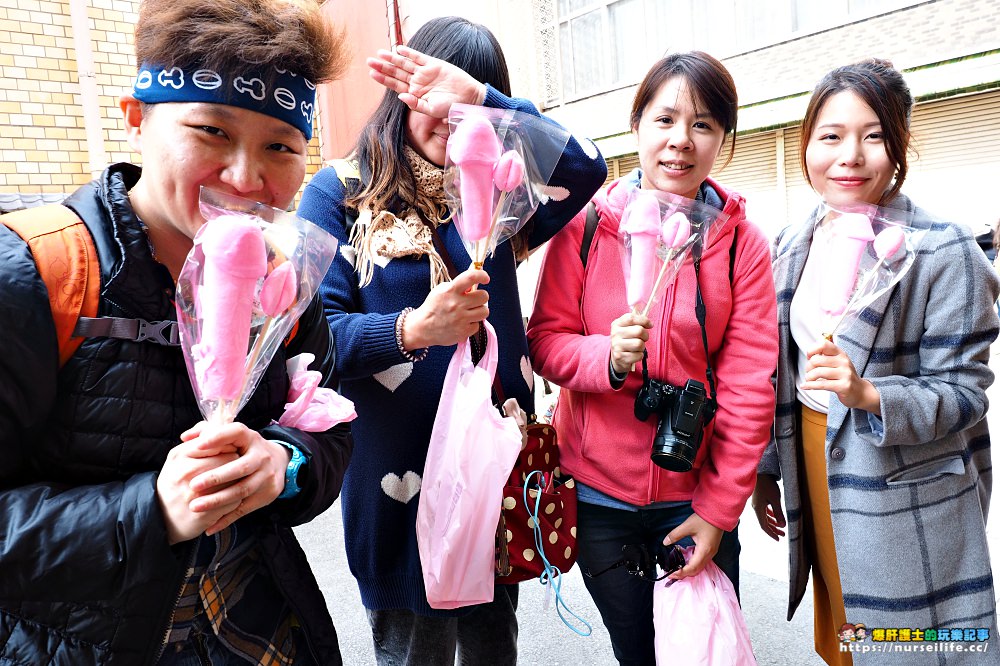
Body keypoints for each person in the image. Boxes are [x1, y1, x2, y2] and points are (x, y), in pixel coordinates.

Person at [0, 1, 353, 664]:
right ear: (137, 119)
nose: (247, 178)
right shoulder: (35, 274)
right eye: (212, 132)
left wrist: (285, 463)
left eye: (280, 146)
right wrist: (151, 513)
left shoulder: (281, 281)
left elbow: (327, 426)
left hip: (259, 630)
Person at [296, 16, 606, 666]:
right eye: (433, 99)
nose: (448, 118)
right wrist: (411, 329)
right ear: (403, 92)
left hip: (495, 473)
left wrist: (485, 102)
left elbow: (585, 167)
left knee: (495, 649)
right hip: (397, 485)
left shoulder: (498, 188)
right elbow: (311, 343)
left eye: (464, 106)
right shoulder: (338, 193)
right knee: (416, 653)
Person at [526, 51, 778, 665]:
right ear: (636, 124)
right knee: (637, 653)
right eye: (665, 120)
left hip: (694, 496)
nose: (680, 142)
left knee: (704, 651)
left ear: (723, 138)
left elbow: (750, 388)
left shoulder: (740, 244)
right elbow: (547, 341)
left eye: (703, 125)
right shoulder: (585, 226)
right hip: (600, 498)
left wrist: (719, 511)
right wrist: (606, 357)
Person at [752, 59, 999, 665]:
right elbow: (778, 366)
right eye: (831, 135)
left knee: (913, 642)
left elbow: (965, 394)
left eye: (874, 135)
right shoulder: (794, 239)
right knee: (846, 623)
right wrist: (766, 466)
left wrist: (870, 394)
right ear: (808, 141)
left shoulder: (943, 249)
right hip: (811, 452)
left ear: (900, 143)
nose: (850, 155)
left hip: (899, 475)